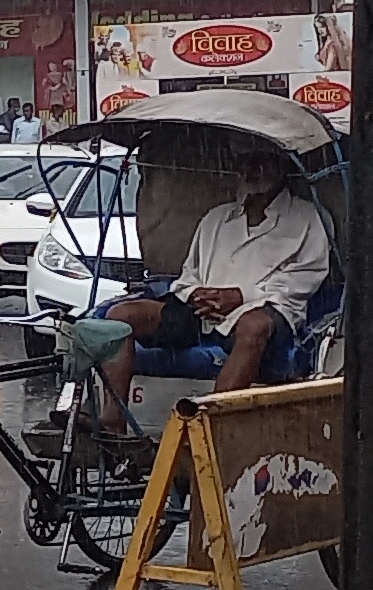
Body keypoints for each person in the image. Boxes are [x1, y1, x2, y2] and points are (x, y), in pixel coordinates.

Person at [91, 144, 330, 422]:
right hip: (200, 312)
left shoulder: (307, 218)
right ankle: (112, 422)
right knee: (120, 316)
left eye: (261, 160)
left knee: (254, 326)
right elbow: (189, 274)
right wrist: (196, 294)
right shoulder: (216, 218)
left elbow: (305, 277)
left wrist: (241, 296)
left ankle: (213, 427)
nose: (251, 169)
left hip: (265, 309)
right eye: (245, 161)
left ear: (281, 166)